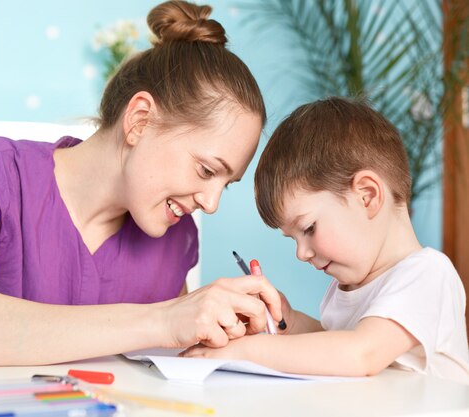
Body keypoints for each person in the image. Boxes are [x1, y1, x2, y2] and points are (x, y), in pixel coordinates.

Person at [0, 0, 284, 366]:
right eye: (205, 170)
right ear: (140, 120)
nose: (211, 202)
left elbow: (170, 361)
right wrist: (163, 319)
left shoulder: (176, 238)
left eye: (226, 183)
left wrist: (215, 331)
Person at [182, 96, 469, 384]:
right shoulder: (346, 287)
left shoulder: (427, 274)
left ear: (366, 195)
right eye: (292, 238)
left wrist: (244, 351)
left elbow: (361, 354)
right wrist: (290, 321)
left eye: (308, 229)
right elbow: (334, 344)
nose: (301, 253)